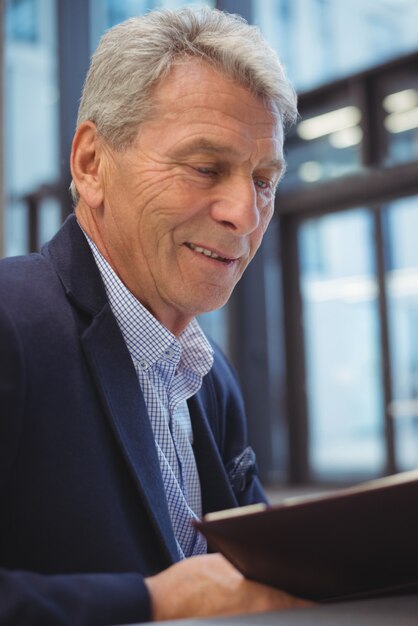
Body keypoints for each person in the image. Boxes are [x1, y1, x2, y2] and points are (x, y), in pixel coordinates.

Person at [0, 6, 304, 625]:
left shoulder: (210, 376)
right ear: (91, 164)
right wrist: (153, 602)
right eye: (205, 167)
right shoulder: (11, 326)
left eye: (265, 180)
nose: (245, 215)